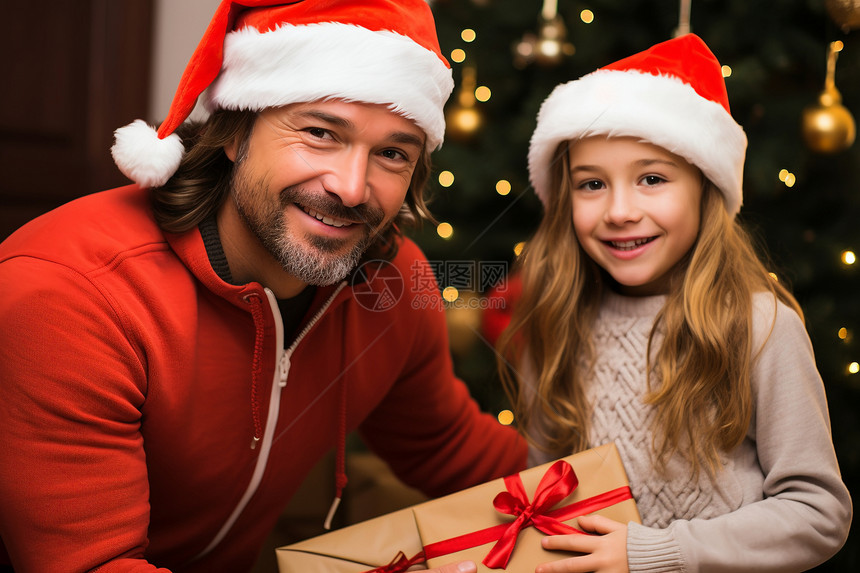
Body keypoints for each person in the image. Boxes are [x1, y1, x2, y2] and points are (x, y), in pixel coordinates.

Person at [0, 1, 526, 572]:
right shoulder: (70, 294)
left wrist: (619, 506)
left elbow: (448, 446)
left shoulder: (390, 281)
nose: (352, 189)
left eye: (393, 153)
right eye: (321, 133)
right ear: (234, 131)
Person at [498, 34, 852, 572]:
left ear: (705, 188)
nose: (619, 210)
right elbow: (549, 506)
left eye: (652, 179)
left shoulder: (758, 326)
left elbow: (817, 512)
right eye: (592, 184)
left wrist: (656, 552)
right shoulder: (557, 323)